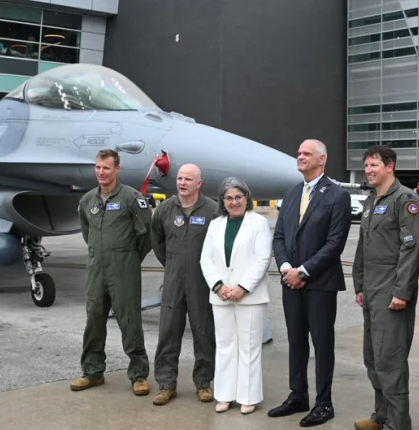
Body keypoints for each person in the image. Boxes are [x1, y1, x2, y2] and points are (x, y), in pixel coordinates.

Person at [270, 139, 352, 426]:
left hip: (319, 284)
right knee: (295, 341)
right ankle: (298, 395)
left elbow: (334, 244)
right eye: (299, 153)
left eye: (306, 153)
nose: (300, 156)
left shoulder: (337, 195)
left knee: (322, 342)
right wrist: (285, 268)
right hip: (290, 282)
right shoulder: (292, 194)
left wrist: (303, 271)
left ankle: (324, 402)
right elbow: (279, 236)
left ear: (322, 159)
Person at [351, 145, 419, 430]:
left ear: (390, 167)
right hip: (372, 289)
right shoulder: (371, 202)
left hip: (392, 292)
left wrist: (401, 291)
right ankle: (382, 414)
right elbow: (362, 248)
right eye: (366, 165)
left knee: (390, 359)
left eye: (374, 165)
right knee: (373, 357)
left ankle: (398, 426)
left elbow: (413, 248)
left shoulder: (405, 200)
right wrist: (359, 283)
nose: (368, 170)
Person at [72, 148, 154, 395]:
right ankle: (92, 372)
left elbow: (146, 234)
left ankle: (138, 375)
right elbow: (87, 232)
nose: (101, 172)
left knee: (130, 322)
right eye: (98, 167)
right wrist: (102, 252)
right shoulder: (87, 200)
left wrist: (127, 257)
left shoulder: (131, 198)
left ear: (117, 169)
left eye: (106, 168)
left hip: (124, 269)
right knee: (94, 321)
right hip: (97, 269)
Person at [199, 177, 273, 414]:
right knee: (225, 345)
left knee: (249, 347)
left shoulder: (258, 223)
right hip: (221, 296)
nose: (234, 202)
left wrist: (242, 287)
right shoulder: (216, 224)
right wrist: (218, 286)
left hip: (249, 296)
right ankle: (224, 395)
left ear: (247, 198)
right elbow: (205, 259)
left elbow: (263, 259)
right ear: (222, 201)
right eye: (229, 198)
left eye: (238, 197)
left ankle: (248, 397)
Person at [148, 164, 220, 405]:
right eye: (179, 178)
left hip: (202, 282)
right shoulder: (165, 209)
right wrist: (172, 263)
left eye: (188, 179)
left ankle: (204, 383)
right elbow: (157, 240)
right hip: (173, 280)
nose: (182, 183)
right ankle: (166, 384)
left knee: (203, 332)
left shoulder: (212, 210)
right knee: (168, 332)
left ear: (198, 183)